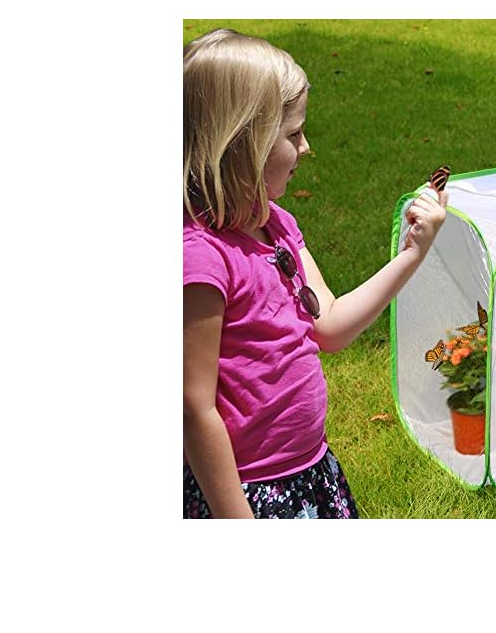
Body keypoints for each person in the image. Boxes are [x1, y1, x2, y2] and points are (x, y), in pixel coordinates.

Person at [183, 28, 447, 518]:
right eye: (292, 134)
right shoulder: (202, 258)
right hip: (247, 493)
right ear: (241, 143)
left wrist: (412, 254)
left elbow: (329, 326)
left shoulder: (276, 225)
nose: (306, 147)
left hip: (309, 472)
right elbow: (193, 408)